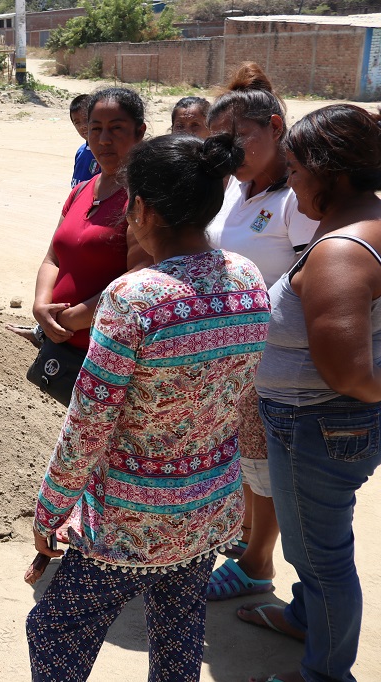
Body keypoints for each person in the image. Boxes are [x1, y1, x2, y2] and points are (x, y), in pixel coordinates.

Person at [25, 133, 269, 682]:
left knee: (55, 630)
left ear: (143, 207)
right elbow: (240, 396)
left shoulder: (136, 297)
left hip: (130, 523)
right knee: (178, 636)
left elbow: (89, 421)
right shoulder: (247, 278)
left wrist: (49, 510)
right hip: (208, 509)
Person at [242, 104, 381, 682]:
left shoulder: (342, 252)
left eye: (297, 170)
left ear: (334, 172)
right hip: (322, 423)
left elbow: (347, 373)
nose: (290, 183)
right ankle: (305, 617)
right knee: (313, 545)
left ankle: (325, 672)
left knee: (320, 558)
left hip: (316, 426)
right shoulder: (366, 220)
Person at [202, 63, 318, 603]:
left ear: (275, 127)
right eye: (219, 143)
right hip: (237, 356)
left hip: (274, 358)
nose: (228, 152)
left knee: (265, 463)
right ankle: (248, 539)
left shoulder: (296, 199)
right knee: (248, 458)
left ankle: (257, 565)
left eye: (238, 139)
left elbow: (309, 279)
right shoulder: (238, 189)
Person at [13, 88, 150, 401]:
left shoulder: (142, 199)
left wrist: (71, 319)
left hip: (106, 360)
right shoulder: (82, 191)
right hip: (61, 348)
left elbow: (137, 283)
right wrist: (40, 305)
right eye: (95, 130)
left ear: (139, 132)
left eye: (116, 129)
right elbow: (53, 258)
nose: (104, 140)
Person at [69, 94, 98, 187]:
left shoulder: (105, 153)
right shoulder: (81, 151)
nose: (83, 126)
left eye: (86, 120)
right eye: (77, 122)